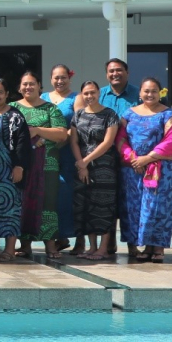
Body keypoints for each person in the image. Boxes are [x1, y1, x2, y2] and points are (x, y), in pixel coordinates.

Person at [116, 77, 172, 262]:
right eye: (146, 91)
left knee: (159, 208)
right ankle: (145, 246)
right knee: (137, 208)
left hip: (163, 170)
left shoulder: (168, 115)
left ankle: (158, 247)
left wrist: (148, 157)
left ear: (160, 93)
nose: (150, 94)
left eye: (154, 91)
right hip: (134, 170)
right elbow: (120, 139)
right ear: (140, 93)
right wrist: (133, 157)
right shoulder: (128, 114)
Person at [10, 71, 68, 258]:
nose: (28, 87)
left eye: (32, 83)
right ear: (19, 87)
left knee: (47, 203)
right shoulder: (12, 108)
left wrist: (37, 131)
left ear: (39, 86)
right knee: (23, 202)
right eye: (24, 84)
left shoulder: (50, 109)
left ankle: (51, 245)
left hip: (47, 165)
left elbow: (61, 134)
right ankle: (24, 244)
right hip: (20, 165)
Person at [69, 81, 120, 261]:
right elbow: (74, 141)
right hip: (82, 167)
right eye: (86, 93)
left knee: (104, 206)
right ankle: (92, 248)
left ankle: (104, 248)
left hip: (104, 168)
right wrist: (80, 163)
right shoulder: (78, 115)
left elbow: (108, 142)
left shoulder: (110, 114)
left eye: (93, 93)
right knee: (86, 206)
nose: (89, 96)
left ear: (99, 93)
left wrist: (85, 161)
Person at [0, 79, 31, 261]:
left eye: (0, 92)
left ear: (7, 94)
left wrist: (19, 166)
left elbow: (23, 144)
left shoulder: (15, 115)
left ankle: (9, 249)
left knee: (11, 208)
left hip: (9, 169)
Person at [98, 57, 140, 255]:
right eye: (111, 71)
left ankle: (132, 244)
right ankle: (109, 243)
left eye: (119, 70)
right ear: (106, 74)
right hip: (104, 158)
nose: (115, 74)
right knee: (107, 201)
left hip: (130, 158)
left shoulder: (138, 95)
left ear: (127, 72)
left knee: (129, 201)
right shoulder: (101, 96)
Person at [42, 64, 81, 253]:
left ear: (69, 78)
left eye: (63, 77)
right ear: (51, 79)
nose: (59, 81)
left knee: (64, 194)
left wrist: (58, 141)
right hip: (44, 153)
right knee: (47, 196)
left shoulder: (76, 98)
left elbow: (76, 126)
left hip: (66, 151)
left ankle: (64, 235)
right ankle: (51, 235)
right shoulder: (43, 98)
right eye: (56, 78)